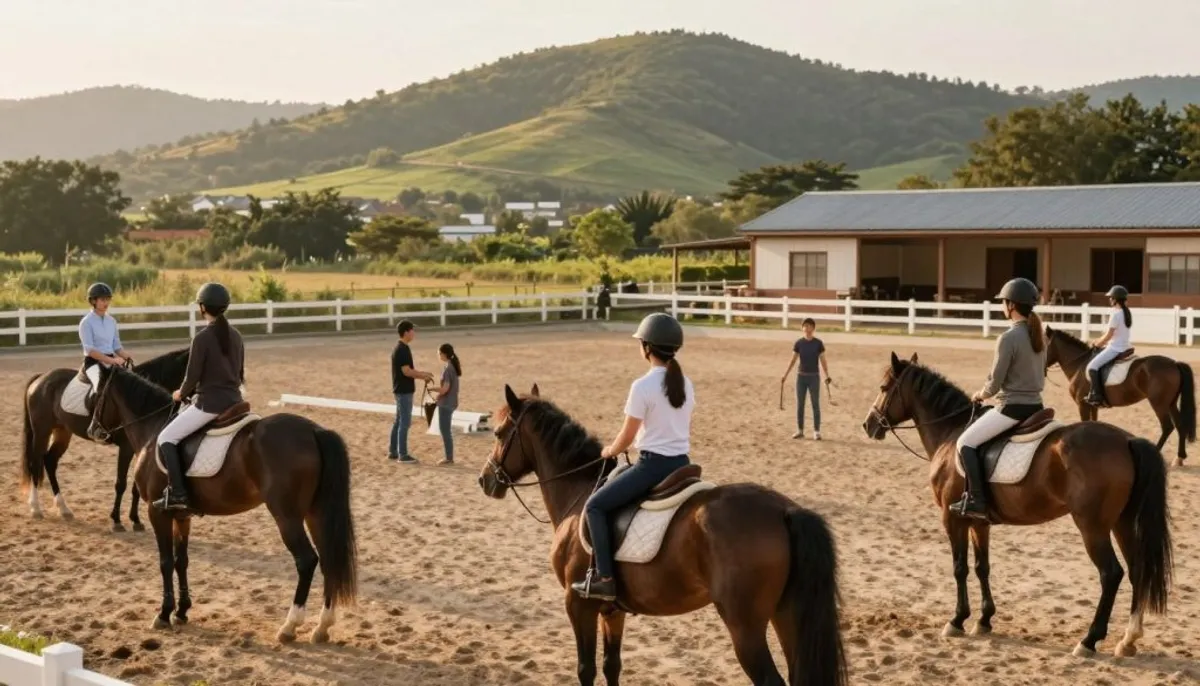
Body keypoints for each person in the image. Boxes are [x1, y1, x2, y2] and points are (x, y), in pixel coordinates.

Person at [572, 312, 695, 602]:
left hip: (653, 466)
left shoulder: (642, 386)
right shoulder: (685, 383)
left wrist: (609, 451)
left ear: (647, 348)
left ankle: (605, 579)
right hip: (683, 464)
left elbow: (627, 437)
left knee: (595, 506)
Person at [951, 277, 1046, 520]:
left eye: (1003, 302)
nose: (1001, 306)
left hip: (1012, 408)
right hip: (1036, 406)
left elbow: (994, 384)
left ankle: (977, 500)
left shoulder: (1008, 338)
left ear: (1011, 305)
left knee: (965, 444)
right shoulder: (1039, 336)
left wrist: (979, 394)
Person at [154, 282, 245, 512]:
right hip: (235, 400)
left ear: (203, 307)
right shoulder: (236, 336)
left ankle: (178, 494)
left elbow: (192, 378)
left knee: (166, 437)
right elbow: (240, 373)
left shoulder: (202, 338)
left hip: (210, 404)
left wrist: (179, 394)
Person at [780, 317, 832, 440]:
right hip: (801, 377)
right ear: (802, 328)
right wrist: (785, 375)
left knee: (815, 404)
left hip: (814, 377)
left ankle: (816, 431)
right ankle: (800, 430)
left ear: (813, 328)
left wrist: (827, 375)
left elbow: (823, 361)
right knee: (800, 404)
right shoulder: (799, 343)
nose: (807, 328)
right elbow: (793, 360)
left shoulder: (818, 343)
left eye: (809, 326)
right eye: (805, 326)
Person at [390, 320, 434, 464]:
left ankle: (393, 451)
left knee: (398, 421)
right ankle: (403, 454)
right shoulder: (402, 349)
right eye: (412, 330)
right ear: (406, 332)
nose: (414, 333)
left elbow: (407, 370)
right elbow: (406, 371)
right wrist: (423, 376)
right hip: (404, 391)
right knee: (405, 422)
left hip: (400, 390)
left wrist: (423, 373)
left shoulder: (400, 348)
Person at [78, 282, 133, 393]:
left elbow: (116, 346)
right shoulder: (86, 322)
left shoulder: (111, 321)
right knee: (100, 388)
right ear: (93, 301)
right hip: (93, 363)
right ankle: (94, 411)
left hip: (111, 361)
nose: (106, 303)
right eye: (103, 300)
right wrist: (112, 360)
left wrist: (127, 357)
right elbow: (90, 350)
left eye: (108, 299)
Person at [1085, 285, 1133, 407]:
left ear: (1116, 299)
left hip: (1115, 348)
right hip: (1125, 346)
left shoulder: (1116, 314)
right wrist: (1099, 340)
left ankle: (1097, 396)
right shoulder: (1126, 312)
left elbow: (1108, 336)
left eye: (1111, 297)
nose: (1110, 299)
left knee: (1092, 367)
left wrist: (1097, 343)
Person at [432, 343, 462, 465]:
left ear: (444, 354)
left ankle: (449, 457)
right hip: (451, 401)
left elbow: (445, 389)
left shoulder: (447, 369)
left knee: (445, 431)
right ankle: (449, 456)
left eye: (439, 353)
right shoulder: (453, 367)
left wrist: (434, 390)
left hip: (446, 403)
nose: (438, 355)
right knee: (446, 430)